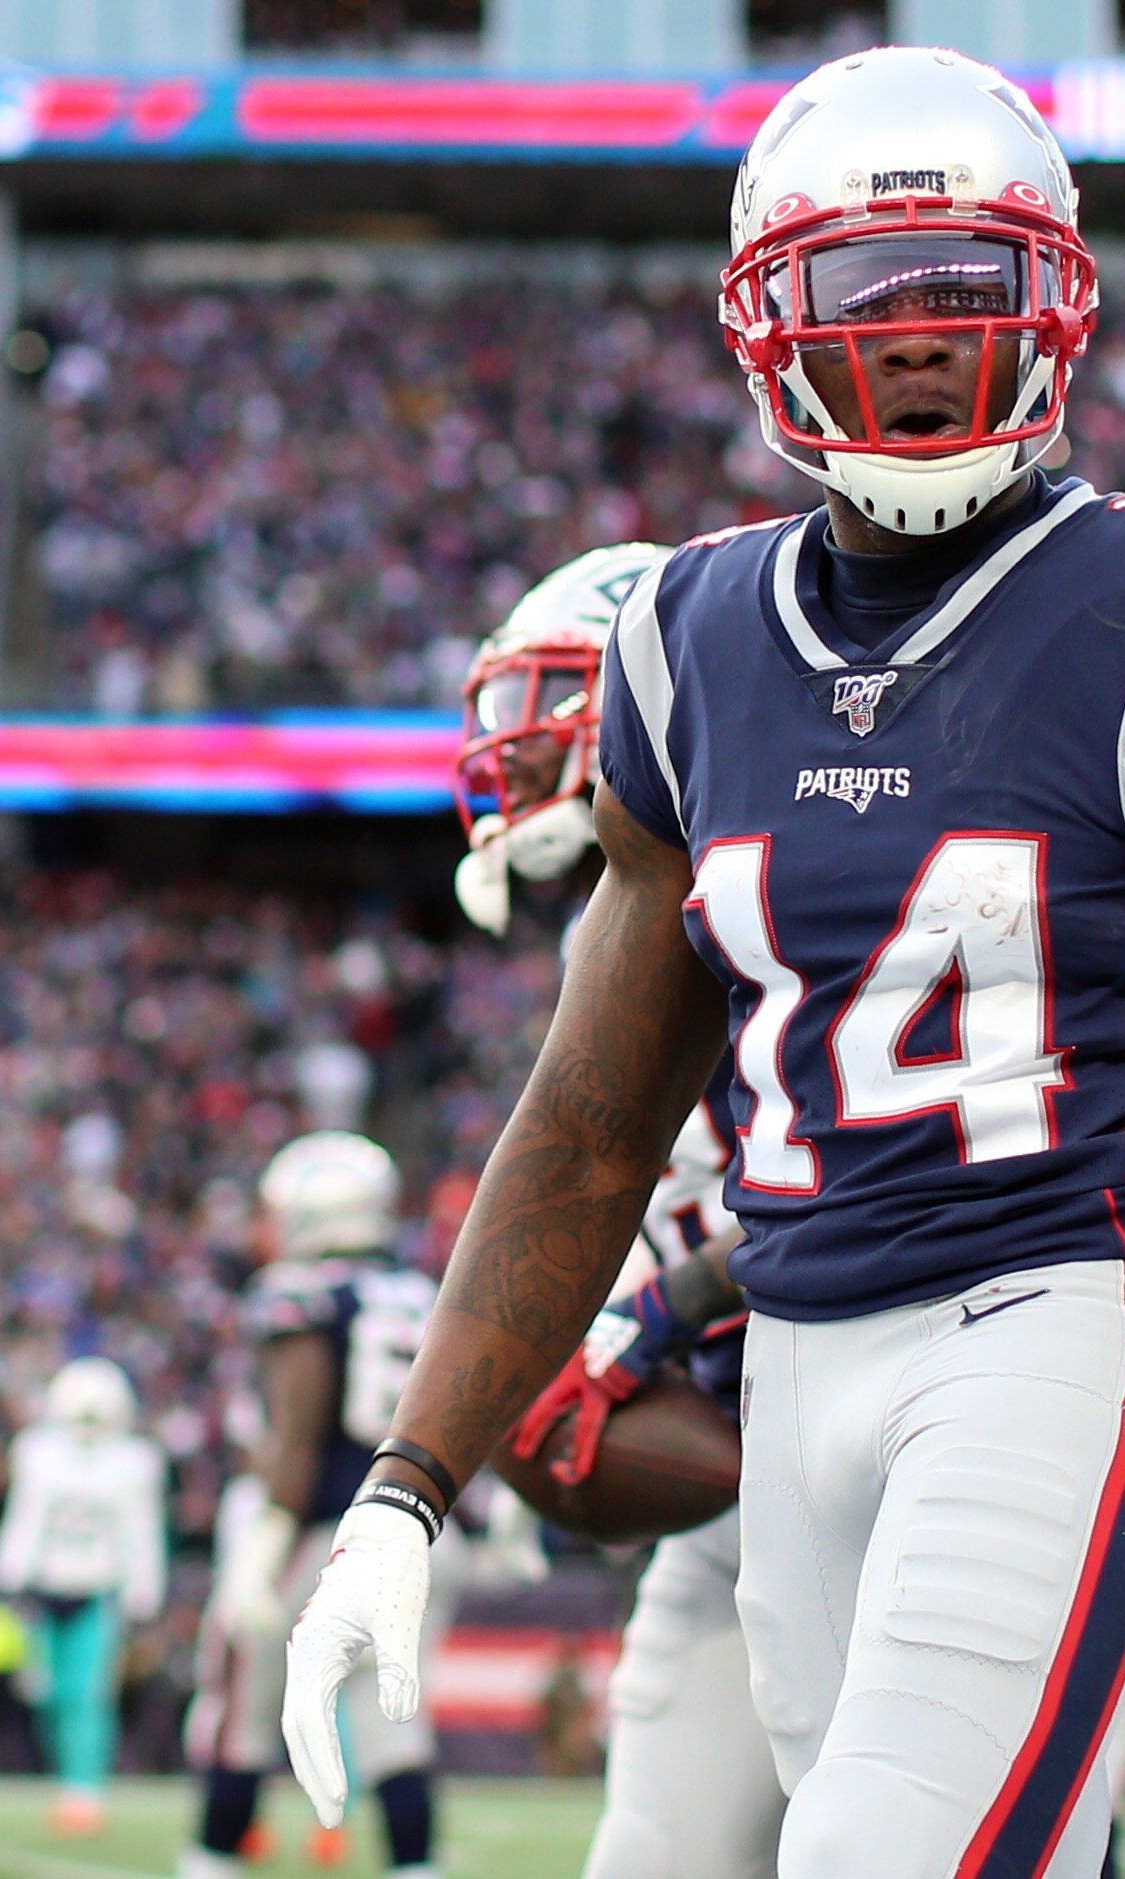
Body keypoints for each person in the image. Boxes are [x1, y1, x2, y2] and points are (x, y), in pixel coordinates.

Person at [283, 46, 1125, 1879]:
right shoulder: (685, 634)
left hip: (1061, 1315)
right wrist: (404, 1485)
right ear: (760, 323)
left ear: (1058, 299)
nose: (923, 336)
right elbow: (583, 1120)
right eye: (864, 294)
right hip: (792, 1362)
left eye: (968, 283)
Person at [458, 543, 791, 1879]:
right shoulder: (627, 918)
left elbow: (882, 1192)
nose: (514, 747)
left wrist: (644, 1316)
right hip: (754, 1472)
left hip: (913, 1448)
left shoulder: (785, 894)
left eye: (548, 699)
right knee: (655, 1847)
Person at [182, 1132, 454, 1879]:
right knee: (396, 1730)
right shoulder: (418, 1290)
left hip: (319, 1534)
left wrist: (263, 1546)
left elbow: (298, 1439)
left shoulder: (299, 1295)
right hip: (411, 1530)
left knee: (244, 1718)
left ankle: (210, 1861)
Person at [0, 1356, 166, 1835]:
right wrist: (9, 1576)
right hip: (44, 1589)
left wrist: (142, 1594)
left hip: (98, 1589)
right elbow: (24, 1518)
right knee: (47, 1694)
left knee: (89, 1695)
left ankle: (83, 1791)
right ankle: (68, 1783)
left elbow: (141, 1532)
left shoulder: (134, 1462)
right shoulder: (38, 1452)